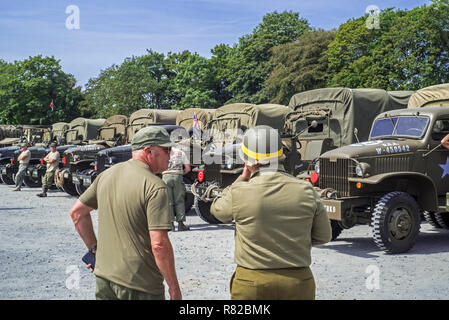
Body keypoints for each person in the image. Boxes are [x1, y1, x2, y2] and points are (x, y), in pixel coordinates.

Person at [210, 125, 332, 300]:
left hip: (251, 283)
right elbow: (324, 236)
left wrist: (243, 177)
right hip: (298, 282)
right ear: (280, 154)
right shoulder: (306, 190)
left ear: (248, 160)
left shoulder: (240, 192)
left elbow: (218, 210)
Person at [69, 126, 182, 300]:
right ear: (149, 151)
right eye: (166, 149)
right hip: (140, 284)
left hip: (104, 278)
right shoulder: (155, 186)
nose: (171, 154)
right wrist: (174, 289)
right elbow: (159, 245)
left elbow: (77, 213)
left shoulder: (106, 175)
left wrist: (94, 251)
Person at [162, 141, 191, 231]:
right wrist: (180, 173)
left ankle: (171, 225)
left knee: (168, 201)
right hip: (178, 177)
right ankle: (181, 224)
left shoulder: (163, 153)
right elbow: (188, 168)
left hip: (166, 177)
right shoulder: (181, 153)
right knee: (179, 200)